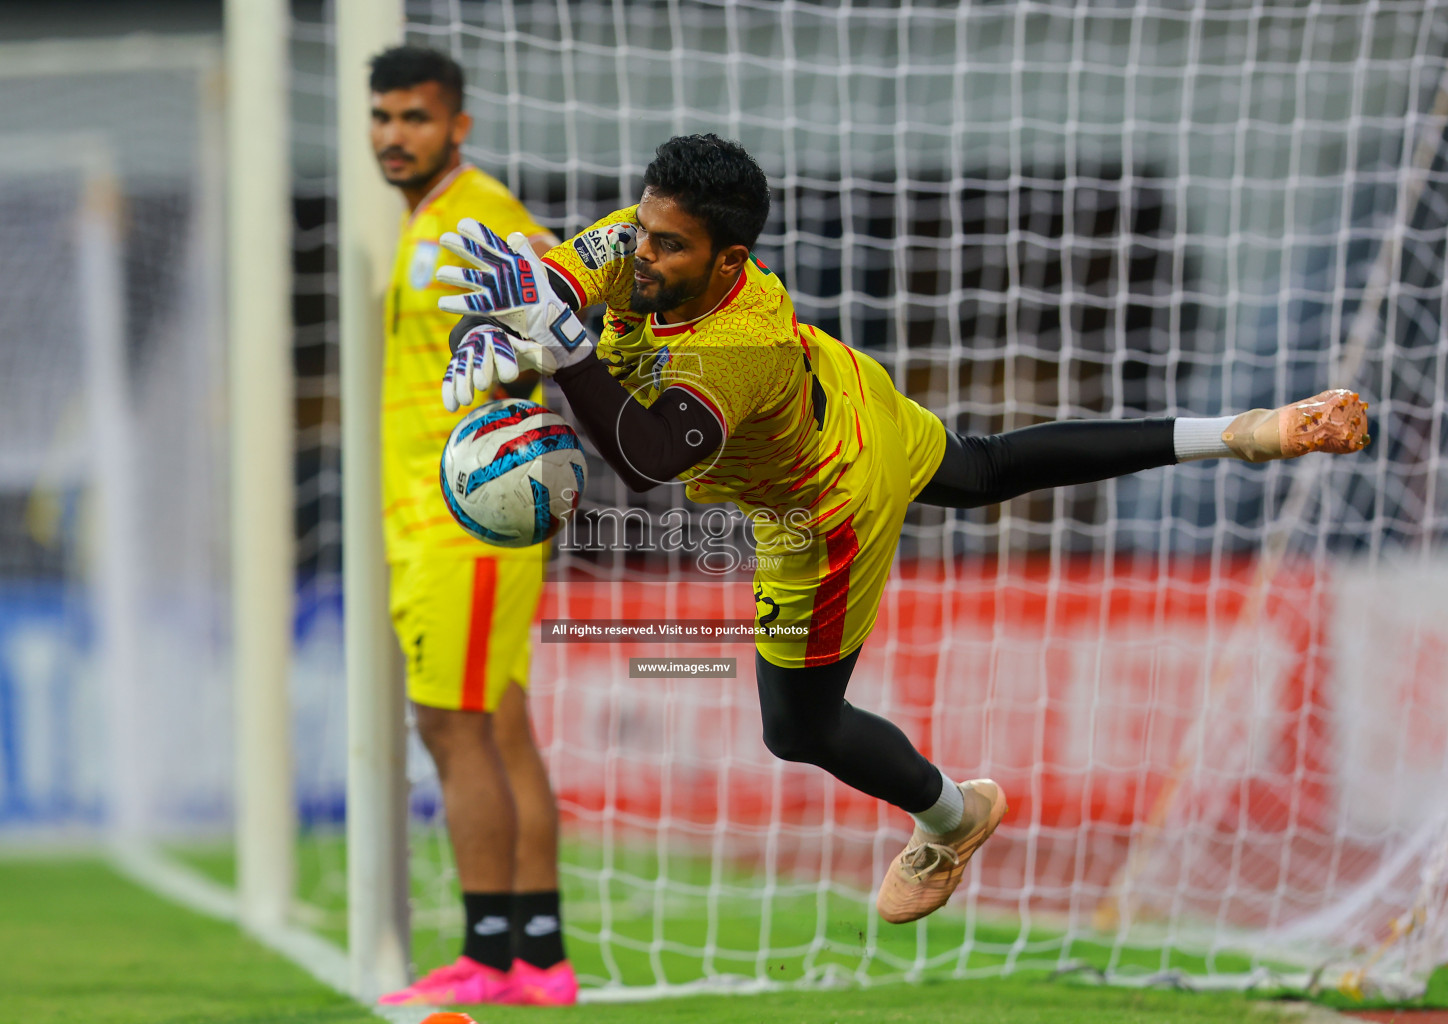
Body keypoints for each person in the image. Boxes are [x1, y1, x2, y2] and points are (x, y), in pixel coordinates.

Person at [434, 133, 1370, 926]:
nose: (642, 255)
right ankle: (1235, 435)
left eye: (669, 248)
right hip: (848, 392)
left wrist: (568, 354)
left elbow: (646, 459)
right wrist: (502, 336)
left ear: (729, 262)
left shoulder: (742, 339)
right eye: (640, 229)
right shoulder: (633, 244)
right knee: (984, 468)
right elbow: (550, 288)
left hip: (824, 504)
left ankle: (953, 817)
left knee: (796, 729)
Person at [367, 46, 576, 1007]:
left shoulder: (480, 213)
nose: (393, 135)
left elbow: (554, 315)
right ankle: (540, 959)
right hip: (428, 517)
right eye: (383, 117)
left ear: (458, 125)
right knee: (498, 725)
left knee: (451, 729)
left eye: (414, 117)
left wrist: (504, 434)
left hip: (463, 517)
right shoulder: (427, 220)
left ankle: (487, 961)